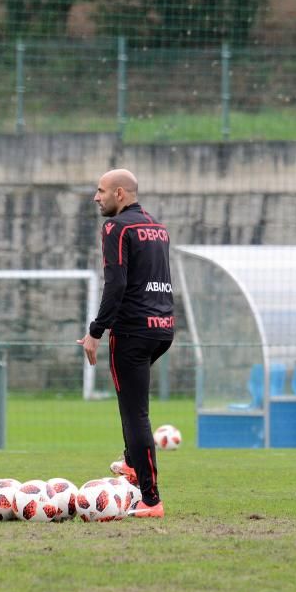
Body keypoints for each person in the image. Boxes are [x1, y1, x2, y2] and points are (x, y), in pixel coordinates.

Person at [78, 169, 174, 518]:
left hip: (132, 331)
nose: (96, 197)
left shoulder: (115, 228)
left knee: (135, 414)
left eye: (101, 191)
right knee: (134, 404)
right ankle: (132, 465)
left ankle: (151, 498)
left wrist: (95, 331)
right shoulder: (157, 228)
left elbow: (116, 285)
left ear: (120, 193)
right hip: (162, 328)